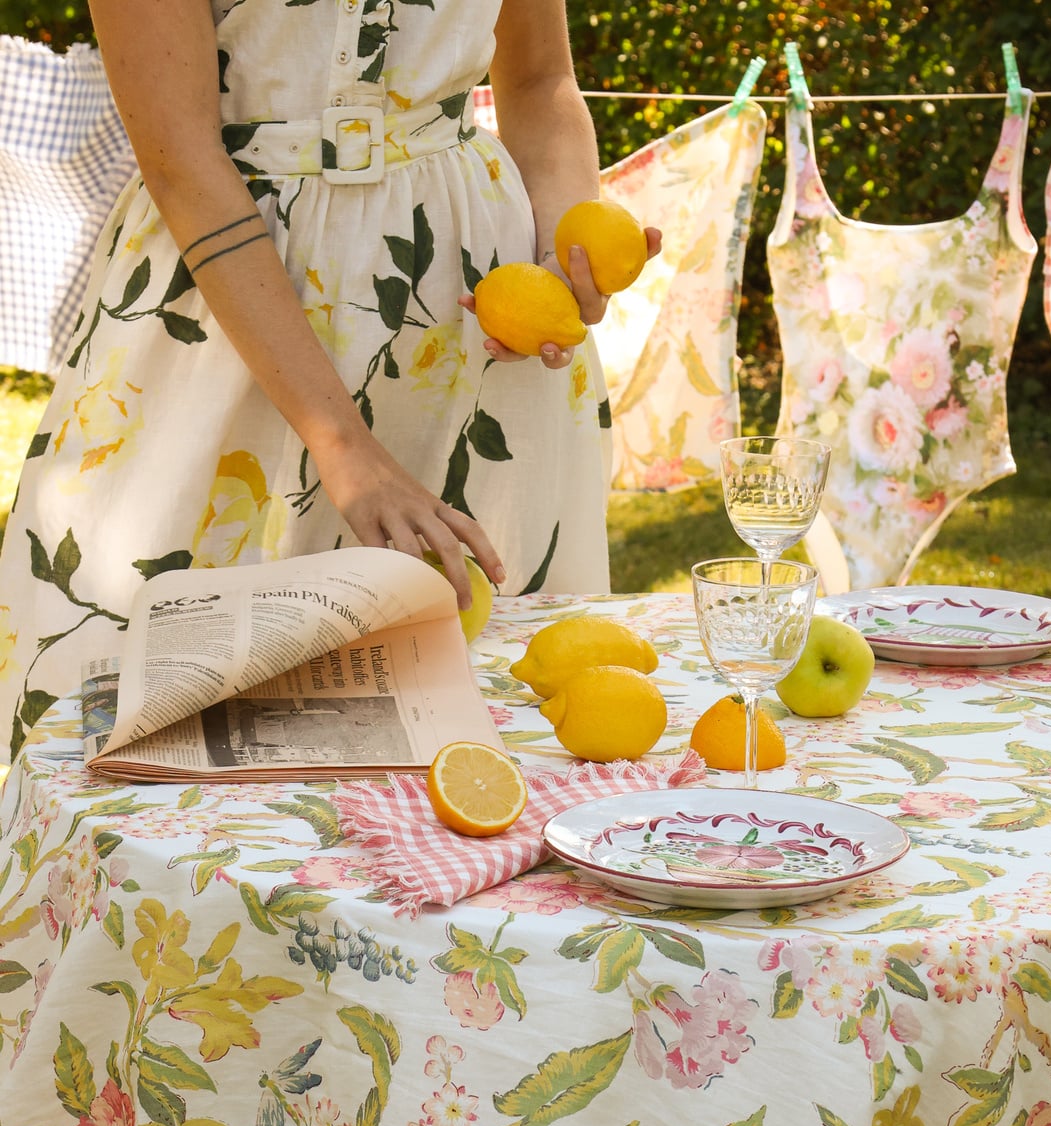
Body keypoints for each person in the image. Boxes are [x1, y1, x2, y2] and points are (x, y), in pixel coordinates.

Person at [0, 0, 656, 761]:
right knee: (151, 723)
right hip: (231, 314)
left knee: (493, 721)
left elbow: (541, 81)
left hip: (465, 310)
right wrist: (344, 449)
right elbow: (179, 157)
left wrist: (563, 244)